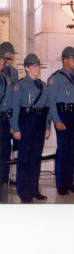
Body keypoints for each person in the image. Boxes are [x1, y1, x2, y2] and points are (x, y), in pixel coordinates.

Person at [10, 54, 50, 203]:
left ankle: (34, 189)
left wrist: (47, 126)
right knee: (24, 159)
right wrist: (15, 128)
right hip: (26, 122)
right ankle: (24, 191)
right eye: (33, 66)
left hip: (39, 122)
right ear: (26, 68)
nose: (37, 68)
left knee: (35, 159)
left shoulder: (43, 86)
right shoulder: (19, 86)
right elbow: (14, 109)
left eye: (38, 66)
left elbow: (47, 108)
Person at [47, 46, 74, 195]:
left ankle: (70, 182)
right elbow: (51, 102)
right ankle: (60, 184)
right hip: (63, 116)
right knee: (63, 150)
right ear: (65, 60)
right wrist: (56, 120)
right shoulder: (55, 78)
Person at [0, 51, 13, 185]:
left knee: (4, 150)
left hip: (4, 117)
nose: (3, 62)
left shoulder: (5, 77)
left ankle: (3, 178)